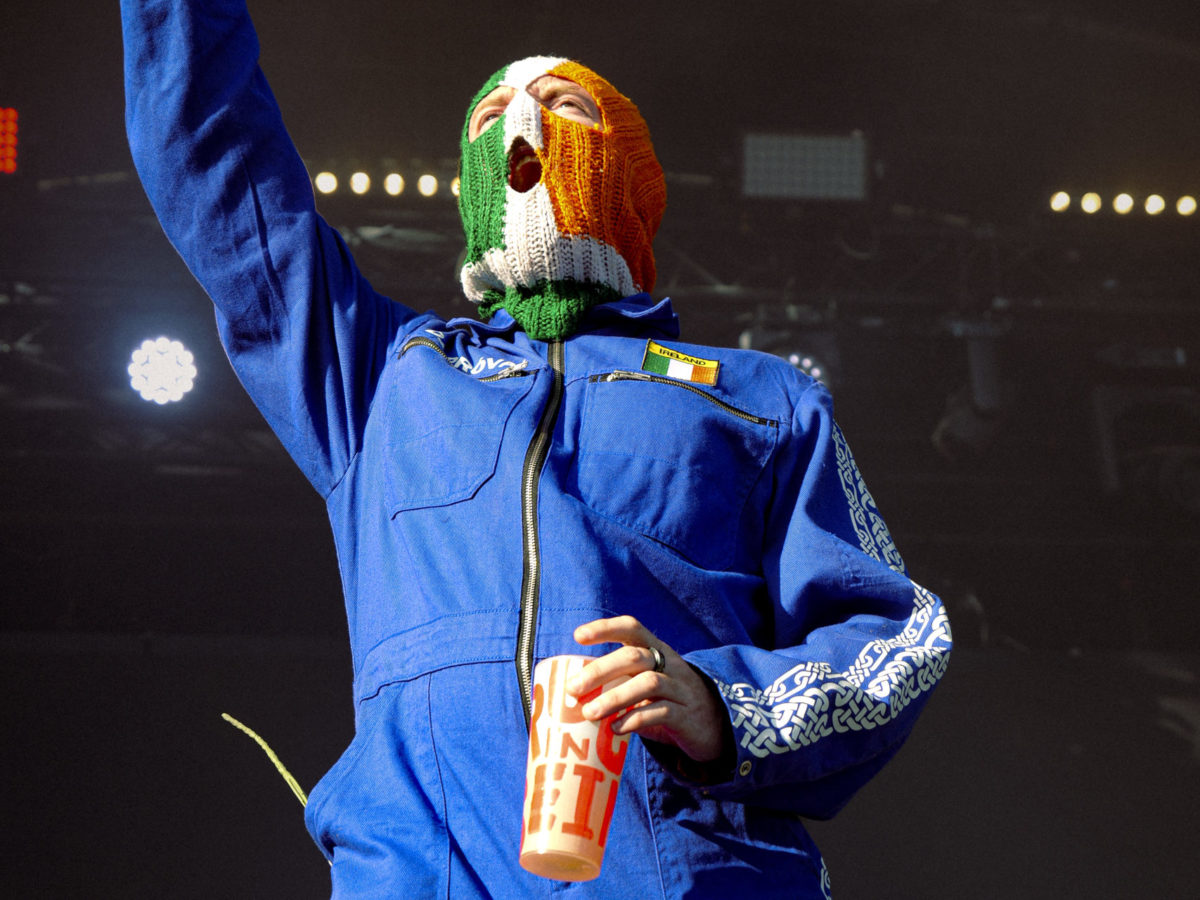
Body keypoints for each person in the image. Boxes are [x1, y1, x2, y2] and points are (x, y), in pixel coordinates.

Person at [121, 2, 952, 897]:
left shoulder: (757, 397)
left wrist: (722, 705)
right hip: (418, 872)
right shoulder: (383, 374)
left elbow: (898, 635)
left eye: (566, 107)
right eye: (491, 118)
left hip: (684, 875)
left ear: (628, 170)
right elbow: (214, 157)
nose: (522, 127)